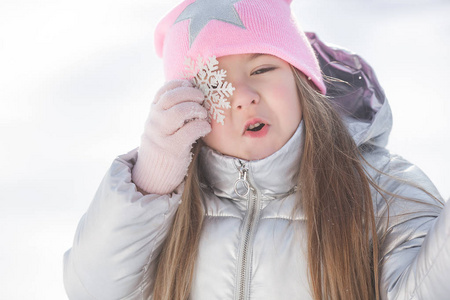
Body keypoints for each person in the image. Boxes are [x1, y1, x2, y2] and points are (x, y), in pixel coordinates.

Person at [63, 0, 450, 299]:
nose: (243, 97)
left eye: (262, 69)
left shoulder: (384, 190)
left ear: (303, 82)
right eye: (215, 84)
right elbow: (93, 289)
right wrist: (151, 184)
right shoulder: (172, 210)